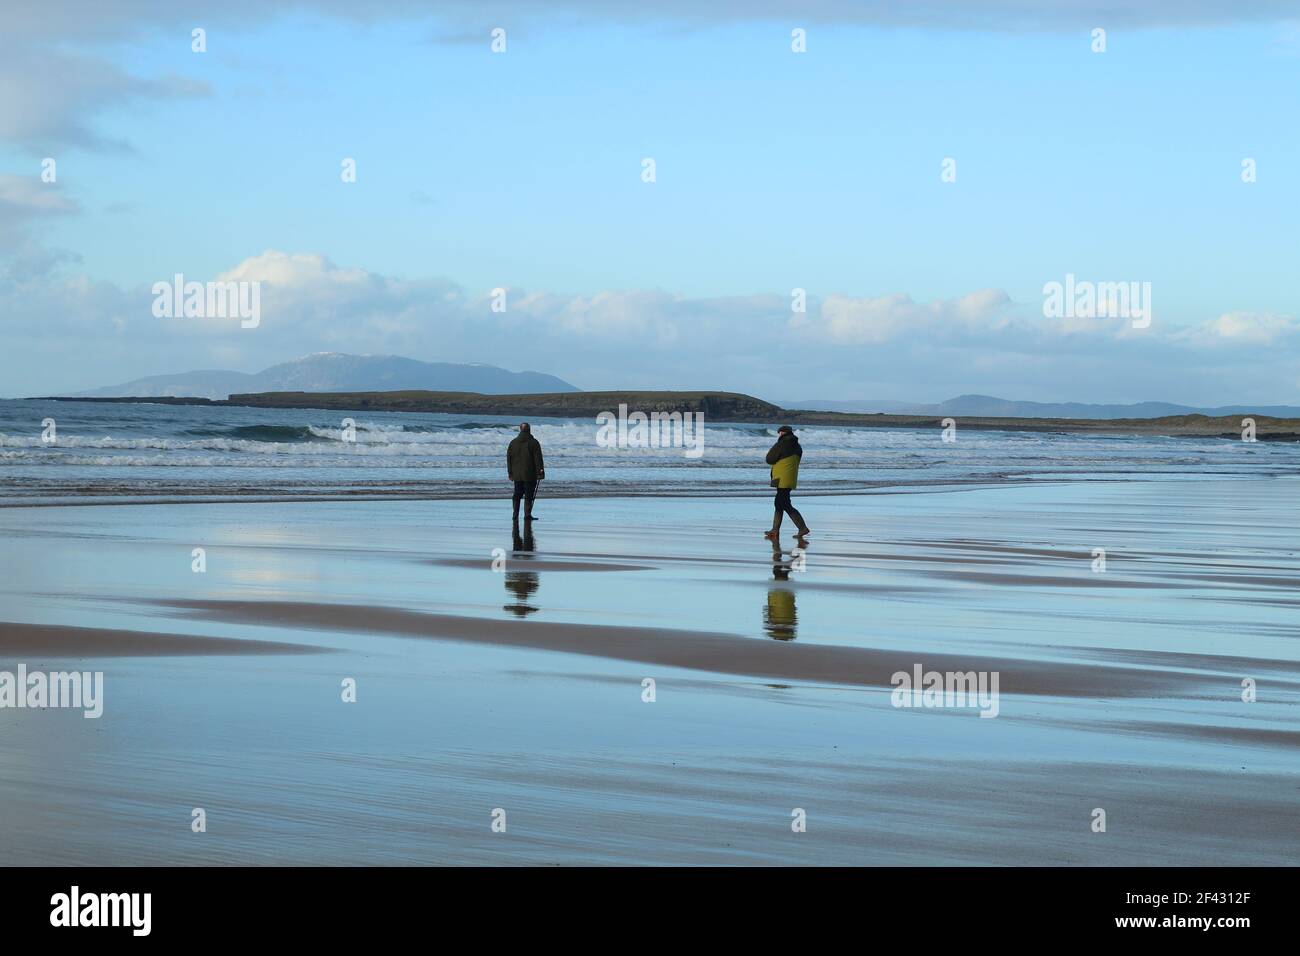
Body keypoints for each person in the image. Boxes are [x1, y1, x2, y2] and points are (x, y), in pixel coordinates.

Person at [764, 425, 809, 540]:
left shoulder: (781, 444)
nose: (779, 435)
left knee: (784, 504)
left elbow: (769, 459)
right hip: (791, 478)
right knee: (779, 503)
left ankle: (802, 528)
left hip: (781, 478)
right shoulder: (798, 447)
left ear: (782, 433)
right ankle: (775, 530)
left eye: (780, 433)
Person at [507, 422, 545, 521]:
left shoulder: (513, 442)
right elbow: (538, 459)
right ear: (529, 430)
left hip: (517, 475)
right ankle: (527, 515)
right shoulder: (534, 442)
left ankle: (515, 515)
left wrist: (510, 473)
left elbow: (509, 459)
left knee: (517, 494)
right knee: (529, 495)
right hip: (530, 474)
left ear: (520, 429)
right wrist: (540, 472)